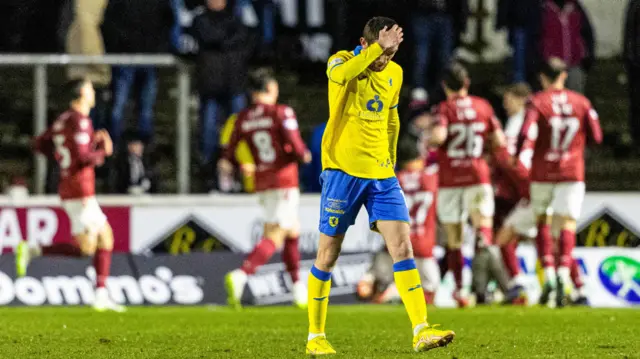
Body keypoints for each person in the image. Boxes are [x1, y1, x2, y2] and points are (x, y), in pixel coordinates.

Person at [306, 17, 454, 355]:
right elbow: (339, 77)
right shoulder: (342, 61)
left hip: (382, 174)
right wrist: (376, 49)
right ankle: (316, 336)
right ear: (365, 42)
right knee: (328, 254)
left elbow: (391, 117)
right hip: (343, 171)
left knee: (402, 246)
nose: (385, 60)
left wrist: (389, 158)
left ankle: (421, 330)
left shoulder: (395, 73)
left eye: (392, 53)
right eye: (382, 52)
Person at [20, 79, 125, 313]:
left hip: (71, 187)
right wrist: (103, 152)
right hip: (80, 189)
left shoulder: (63, 119)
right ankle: (35, 250)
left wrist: (60, 157)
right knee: (86, 249)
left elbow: (39, 144)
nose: (93, 92)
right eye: (89, 88)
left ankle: (100, 294)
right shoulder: (80, 120)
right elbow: (82, 158)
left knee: (105, 237)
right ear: (81, 94)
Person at [219, 68, 312, 310]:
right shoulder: (281, 112)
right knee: (277, 234)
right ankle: (242, 275)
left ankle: (297, 288)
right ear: (271, 88)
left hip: (262, 181)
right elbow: (296, 146)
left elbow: (228, 151)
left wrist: (236, 164)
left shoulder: (243, 117)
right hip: (284, 180)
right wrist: (304, 155)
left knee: (292, 230)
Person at [521, 57, 602, 307]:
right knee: (566, 224)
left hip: (542, 171)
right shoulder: (582, 102)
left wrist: (525, 153)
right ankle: (564, 275)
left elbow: (527, 133)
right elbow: (597, 137)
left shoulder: (537, 101)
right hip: (571, 172)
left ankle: (548, 274)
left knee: (543, 221)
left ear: (543, 78)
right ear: (564, 76)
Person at [429, 62, 507, 307]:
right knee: (483, 232)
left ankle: (460, 290)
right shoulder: (482, 106)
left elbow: (439, 137)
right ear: (467, 83)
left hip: (451, 178)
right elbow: (499, 140)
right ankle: (482, 288)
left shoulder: (445, 108)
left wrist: (429, 139)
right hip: (477, 174)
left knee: (454, 239)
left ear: (444, 86)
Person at [192, 0, 251, 170]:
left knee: (240, 129)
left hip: (234, 84)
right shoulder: (200, 20)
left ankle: (240, 168)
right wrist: (227, 39)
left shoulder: (237, 19)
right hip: (210, 85)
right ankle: (209, 169)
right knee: (208, 130)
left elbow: (244, 38)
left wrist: (224, 41)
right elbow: (209, 36)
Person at [624, 0, 640, 150]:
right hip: (636, 63)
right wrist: (630, 58)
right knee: (636, 102)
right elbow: (630, 34)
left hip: (635, 60)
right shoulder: (634, 5)